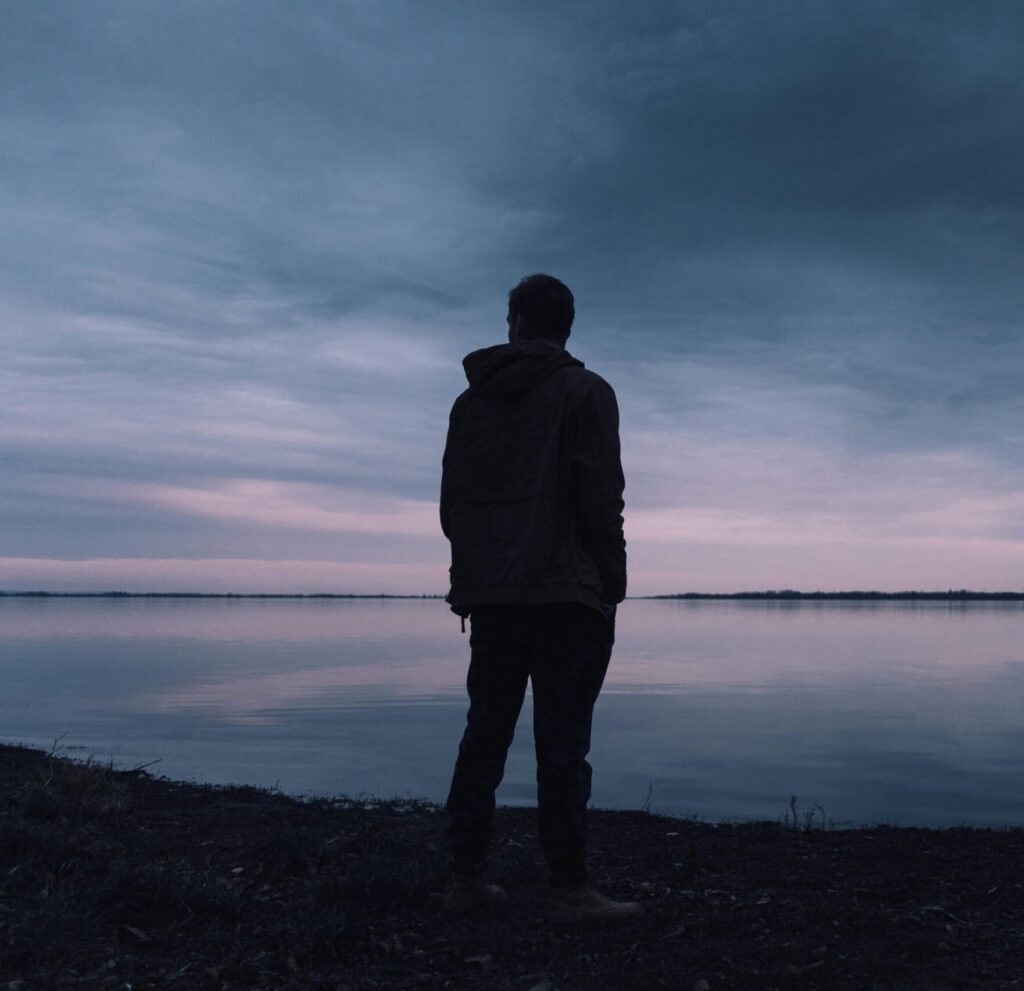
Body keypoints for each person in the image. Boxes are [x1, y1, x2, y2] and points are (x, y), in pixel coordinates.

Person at [439, 273, 641, 924]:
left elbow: (454, 508)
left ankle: (464, 877)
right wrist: (613, 581)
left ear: (515, 323)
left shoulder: (470, 405)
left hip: (494, 598)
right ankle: (569, 888)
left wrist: (473, 581)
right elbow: (600, 498)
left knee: (484, 737)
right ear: (567, 326)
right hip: (566, 598)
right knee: (562, 746)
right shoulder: (586, 391)